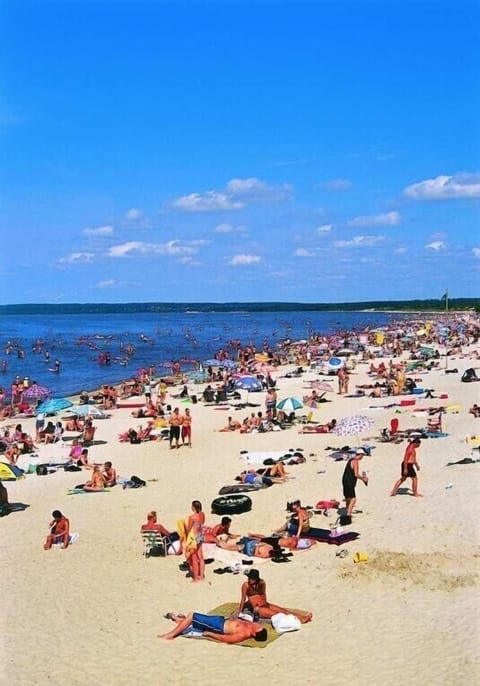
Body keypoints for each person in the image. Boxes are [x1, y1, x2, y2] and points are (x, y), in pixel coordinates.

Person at [238, 569, 312, 623]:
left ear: (255, 579)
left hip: (264, 604)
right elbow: (243, 599)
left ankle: (303, 617)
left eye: (251, 578)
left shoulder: (261, 583)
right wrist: (240, 613)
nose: (249, 579)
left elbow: (263, 594)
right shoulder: (246, 585)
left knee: (284, 611)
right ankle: (301, 620)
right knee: (279, 615)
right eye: (249, 578)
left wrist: (264, 603)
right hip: (258, 609)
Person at [158, 612, 268, 643]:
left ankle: (170, 635)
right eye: (259, 627)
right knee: (195, 621)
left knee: (192, 616)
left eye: (256, 629)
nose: (257, 626)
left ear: (253, 634)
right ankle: (177, 619)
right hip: (221, 620)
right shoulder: (257, 626)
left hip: (217, 626)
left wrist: (210, 634)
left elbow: (227, 639)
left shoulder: (243, 634)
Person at [342, 450, 368, 519]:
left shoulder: (351, 460)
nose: (362, 457)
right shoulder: (356, 461)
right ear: (360, 455)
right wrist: (363, 479)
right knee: (353, 499)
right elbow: (356, 474)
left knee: (347, 498)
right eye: (363, 455)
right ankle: (348, 515)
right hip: (349, 481)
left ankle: (348, 511)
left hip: (344, 480)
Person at [184, 500, 205, 582]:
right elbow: (202, 523)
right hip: (200, 535)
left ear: (193, 507)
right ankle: (202, 576)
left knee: (194, 558)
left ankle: (196, 578)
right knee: (201, 557)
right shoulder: (202, 514)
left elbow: (189, 529)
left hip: (194, 537)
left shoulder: (192, 517)